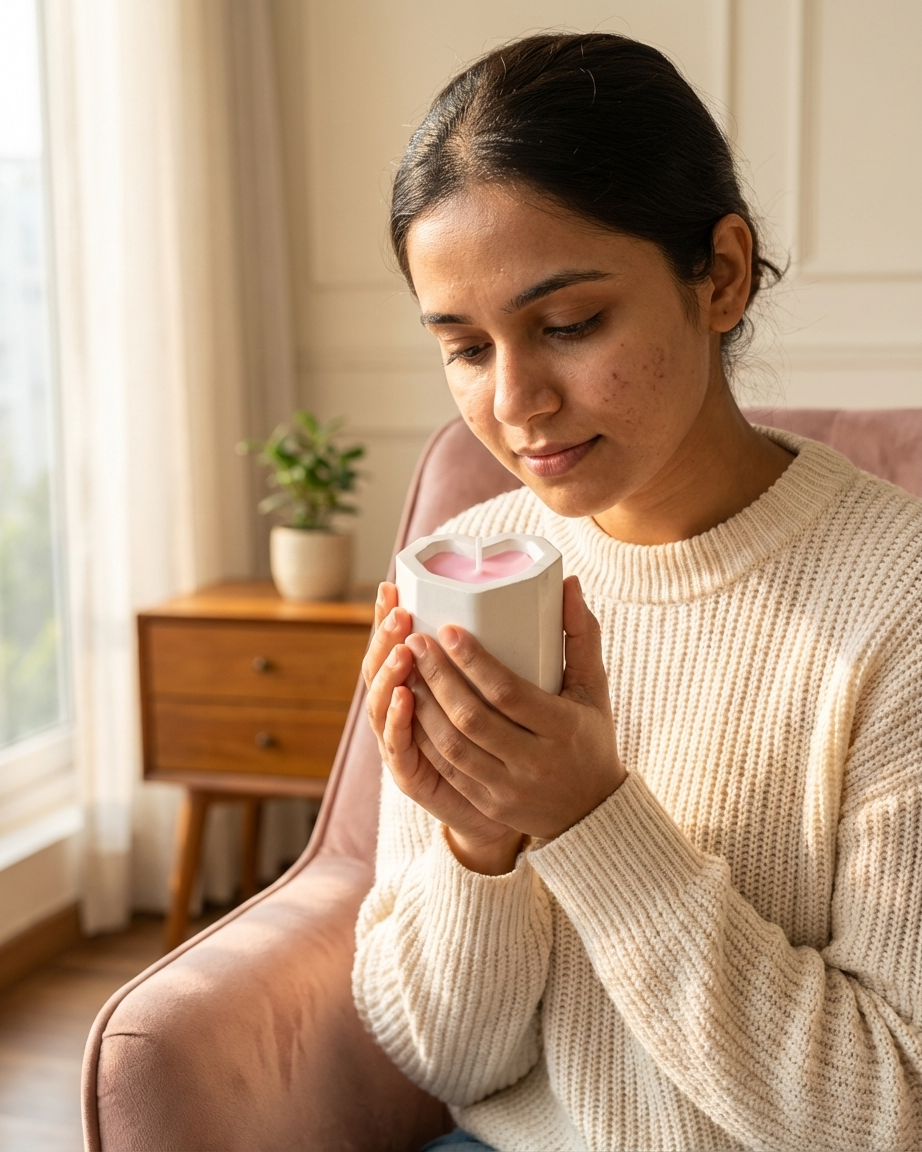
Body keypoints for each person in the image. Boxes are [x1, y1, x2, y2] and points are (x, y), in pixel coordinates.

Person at [353, 32, 922, 1152]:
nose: (516, 403)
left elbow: (887, 1112)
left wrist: (588, 820)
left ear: (718, 273)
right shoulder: (468, 568)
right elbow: (451, 1063)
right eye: (465, 347)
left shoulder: (895, 604)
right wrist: (479, 850)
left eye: (567, 326)